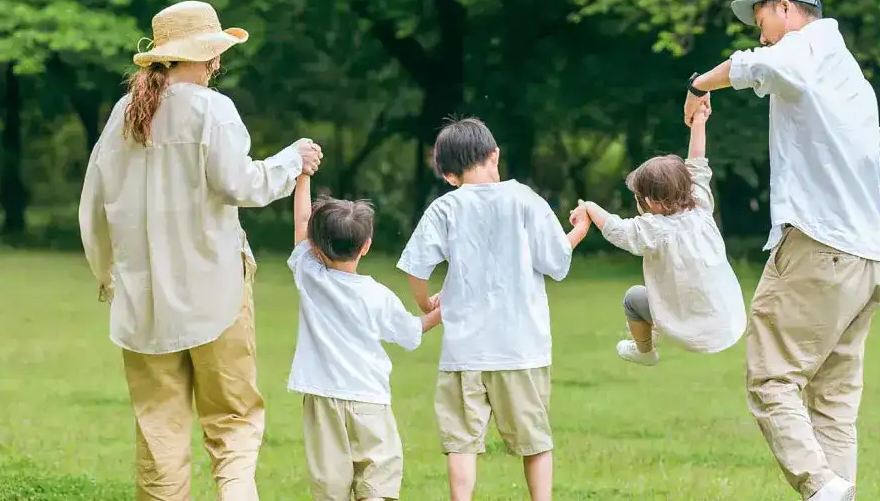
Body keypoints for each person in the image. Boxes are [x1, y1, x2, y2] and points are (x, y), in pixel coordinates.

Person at [78, 0, 323, 501]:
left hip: (141, 300)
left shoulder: (124, 112)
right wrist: (290, 160)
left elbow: (94, 203)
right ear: (209, 55)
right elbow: (242, 186)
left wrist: (108, 273)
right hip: (216, 292)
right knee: (232, 421)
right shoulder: (213, 109)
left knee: (159, 430)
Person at [684, 0, 880, 501]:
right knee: (833, 400)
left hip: (817, 246)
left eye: (762, 24)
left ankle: (820, 485)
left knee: (772, 379)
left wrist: (698, 86)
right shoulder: (855, 83)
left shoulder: (806, 48)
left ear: (785, 8)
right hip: (868, 258)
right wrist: (863, 232)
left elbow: (755, 65)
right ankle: (836, 492)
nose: (762, 36)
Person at [395, 118, 588, 501]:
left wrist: (425, 302)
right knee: (534, 441)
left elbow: (416, 268)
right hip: (522, 348)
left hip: (464, 352)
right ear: (494, 153)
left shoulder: (445, 207)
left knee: (462, 443)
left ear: (449, 175)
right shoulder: (525, 199)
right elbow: (557, 261)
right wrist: (580, 228)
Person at [285, 173, 441, 501]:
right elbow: (413, 333)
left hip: (322, 398)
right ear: (366, 246)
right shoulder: (376, 295)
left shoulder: (309, 275)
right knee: (378, 476)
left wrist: (303, 176)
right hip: (369, 397)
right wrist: (442, 311)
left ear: (313, 246)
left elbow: (302, 221)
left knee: (330, 484)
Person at [570, 102, 745, 366]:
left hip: (691, 331)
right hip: (730, 323)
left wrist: (590, 207)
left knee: (633, 299)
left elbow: (617, 230)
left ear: (650, 201)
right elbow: (697, 163)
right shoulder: (700, 204)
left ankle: (645, 352)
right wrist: (699, 122)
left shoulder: (654, 229)